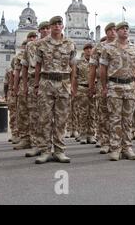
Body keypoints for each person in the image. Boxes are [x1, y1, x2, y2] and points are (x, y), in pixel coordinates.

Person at [34, 16, 77, 164]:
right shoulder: (41, 44)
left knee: (61, 119)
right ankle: (45, 150)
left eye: (59, 24)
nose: (57, 26)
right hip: (46, 82)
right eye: (54, 24)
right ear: (51, 27)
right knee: (44, 118)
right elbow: (38, 66)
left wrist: (71, 85)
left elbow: (73, 67)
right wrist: (36, 84)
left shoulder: (70, 44)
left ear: (63, 26)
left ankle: (59, 151)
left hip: (64, 83)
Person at [100, 22, 135, 160]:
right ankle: (115, 148)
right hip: (114, 86)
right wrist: (105, 87)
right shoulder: (108, 48)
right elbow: (103, 69)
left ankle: (127, 148)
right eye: (122, 29)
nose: (125, 30)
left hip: (129, 86)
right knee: (115, 118)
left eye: (126, 29)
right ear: (116, 31)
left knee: (128, 120)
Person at [22, 22, 51, 157]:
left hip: (50, 81)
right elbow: (25, 66)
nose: (45, 31)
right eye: (42, 29)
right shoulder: (31, 45)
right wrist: (24, 86)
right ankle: (35, 144)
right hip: (34, 80)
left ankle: (48, 145)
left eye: (47, 28)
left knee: (50, 116)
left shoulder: (57, 44)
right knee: (34, 114)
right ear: (39, 31)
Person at [89, 23, 116, 154]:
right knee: (104, 113)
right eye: (110, 30)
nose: (113, 32)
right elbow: (93, 68)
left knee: (117, 115)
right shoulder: (99, 47)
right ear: (106, 32)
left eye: (114, 30)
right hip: (103, 84)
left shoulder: (123, 45)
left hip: (119, 84)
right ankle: (105, 141)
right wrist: (92, 86)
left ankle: (116, 142)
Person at [13, 35, 37, 150]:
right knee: (23, 112)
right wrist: (15, 87)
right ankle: (25, 138)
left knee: (34, 112)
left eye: (34, 37)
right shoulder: (20, 56)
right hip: (24, 83)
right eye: (30, 37)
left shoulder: (40, 49)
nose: (32, 39)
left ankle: (35, 139)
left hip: (35, 83)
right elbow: (17, 72)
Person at [76, 43, 97, 145]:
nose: (89, 51)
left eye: (90, 49)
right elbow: (75, 77)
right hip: (82, 88)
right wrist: (75, 91)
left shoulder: (96, 62)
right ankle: (83, 134)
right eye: (87, 49)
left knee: (92, 112)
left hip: (94, 89)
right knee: (83, 113)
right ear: (84, 50)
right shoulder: (79, 62)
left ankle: (91, 134)